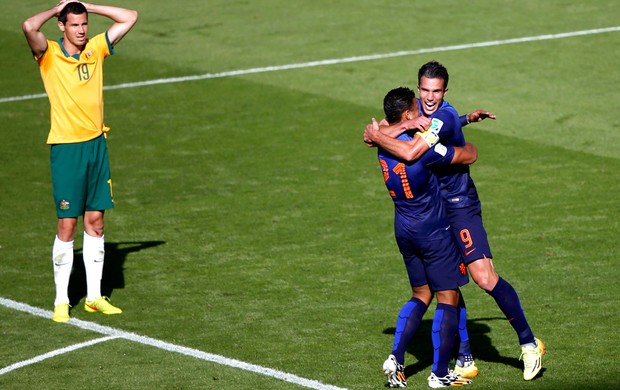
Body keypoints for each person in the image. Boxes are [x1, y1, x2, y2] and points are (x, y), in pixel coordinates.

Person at [364, 61, 545, 381]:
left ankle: (529, 344)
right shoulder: (415, 109)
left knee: (484, 278)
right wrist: (384, 133)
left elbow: (402, 147)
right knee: (447, 284)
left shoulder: (443, 114)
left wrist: (380, 134)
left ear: (445, 91)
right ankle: (463, 357)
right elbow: (379, 136)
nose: (429, 98)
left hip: (459, 206)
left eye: (436, 91)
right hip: (435, 214)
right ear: (418, 89)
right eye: (425, 91)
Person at [22, 1, 138, 323]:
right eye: (74, 24)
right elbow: (29, 27)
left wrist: (88, 5)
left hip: (96, 146)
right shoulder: (48, 55)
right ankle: (61, 301)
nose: (82, 30)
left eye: (84, 23)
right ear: (62, 26)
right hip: (67, 149)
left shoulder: (96, 49)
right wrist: (56, 8)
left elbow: (130, 17)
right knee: (67, 225)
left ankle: (94, 297)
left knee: (96, 222)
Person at [372, 87, 479, 388]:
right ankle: (440, 372)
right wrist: (470, 147)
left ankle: (396, 357)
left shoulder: (383, 143)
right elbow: (466, 154)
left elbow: (377, 131)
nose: (422, 113)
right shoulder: (422, 151)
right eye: (416, 110)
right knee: (449, 296)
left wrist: (464, 119)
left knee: (421, 294)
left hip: (403, 229)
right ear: (407, 115)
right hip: (433, 231)